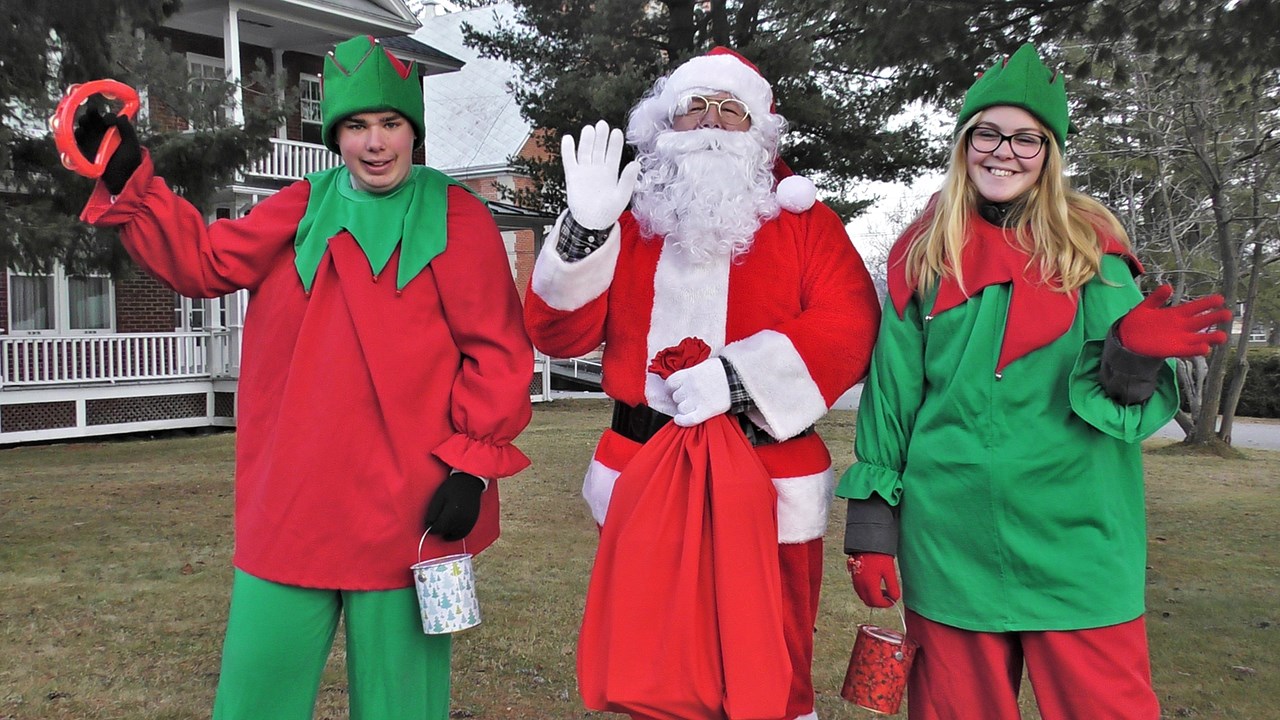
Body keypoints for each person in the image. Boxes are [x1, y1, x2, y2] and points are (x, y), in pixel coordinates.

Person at [69, 35, 534, 720]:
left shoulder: (457, 216)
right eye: (355, 126)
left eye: (390, 123)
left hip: (413, 509)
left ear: (413, 132)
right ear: (335, 135)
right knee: (256, 696)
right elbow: (203, 260)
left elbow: (497, 352)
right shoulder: (299, 204)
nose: (374, 143)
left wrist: (471, 468)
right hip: (293, 502)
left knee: (402, 705)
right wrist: (131, 169)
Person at [837, 43, 1232, 719]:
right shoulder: (924, 250)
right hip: (950, 536)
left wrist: (1130, 356)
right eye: (988, 132)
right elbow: (892, 397)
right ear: (965, 143)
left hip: (1075, 536)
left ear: (1049, 153)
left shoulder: (1093, 249)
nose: (1004, 151)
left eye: (1027, 138)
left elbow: (1121, 407)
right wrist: (872, 525)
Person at [524, 47, 882, 720]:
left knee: (770, 661)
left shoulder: (805, 224)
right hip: (644, 470)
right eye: (695, 108)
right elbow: (556, 336)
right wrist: (583, 233)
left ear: (759, 132)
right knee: (654, 656)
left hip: (768, 474)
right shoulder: (628, 222)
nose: (712, 122)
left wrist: (738, 380)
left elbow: (851, 323)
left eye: (730, 110)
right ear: (666, 124)